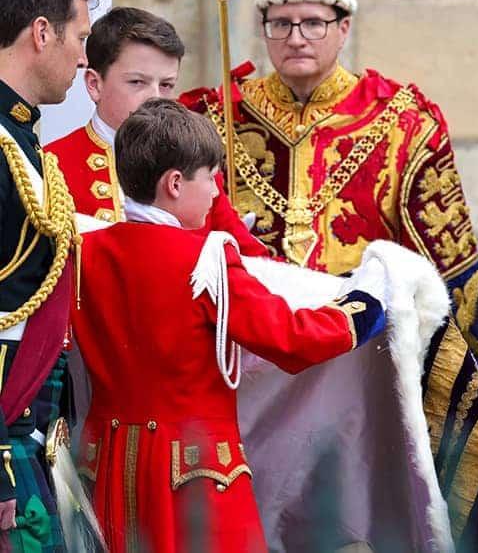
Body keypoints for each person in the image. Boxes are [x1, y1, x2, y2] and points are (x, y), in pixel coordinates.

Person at [69, 99, 396, 551]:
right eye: (211, 177)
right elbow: (290, 338)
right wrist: (364, 306)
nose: (216, 191)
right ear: (176, 183)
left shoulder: (83, 252)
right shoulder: (206, 259)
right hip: (192, 475)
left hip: (106, 467)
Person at [181, 0, 478, 375]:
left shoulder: (405, 124)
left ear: (344, 27)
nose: (295, 37)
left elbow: (446, 265)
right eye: (281, 23)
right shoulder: (215, 118)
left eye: (313, 23)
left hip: (367, 355)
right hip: (249, 354)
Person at [0, 0, 94, 552]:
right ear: (42, 33)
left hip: (32, 429)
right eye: (80, 37)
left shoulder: (23, 141)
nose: (84, 56)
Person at [45, 7, 264, 255]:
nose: (155, 98)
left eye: (167, 85)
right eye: (137, 82)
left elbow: (248, 259)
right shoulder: (52, 167)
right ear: (95, 85)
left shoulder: (194, 160)